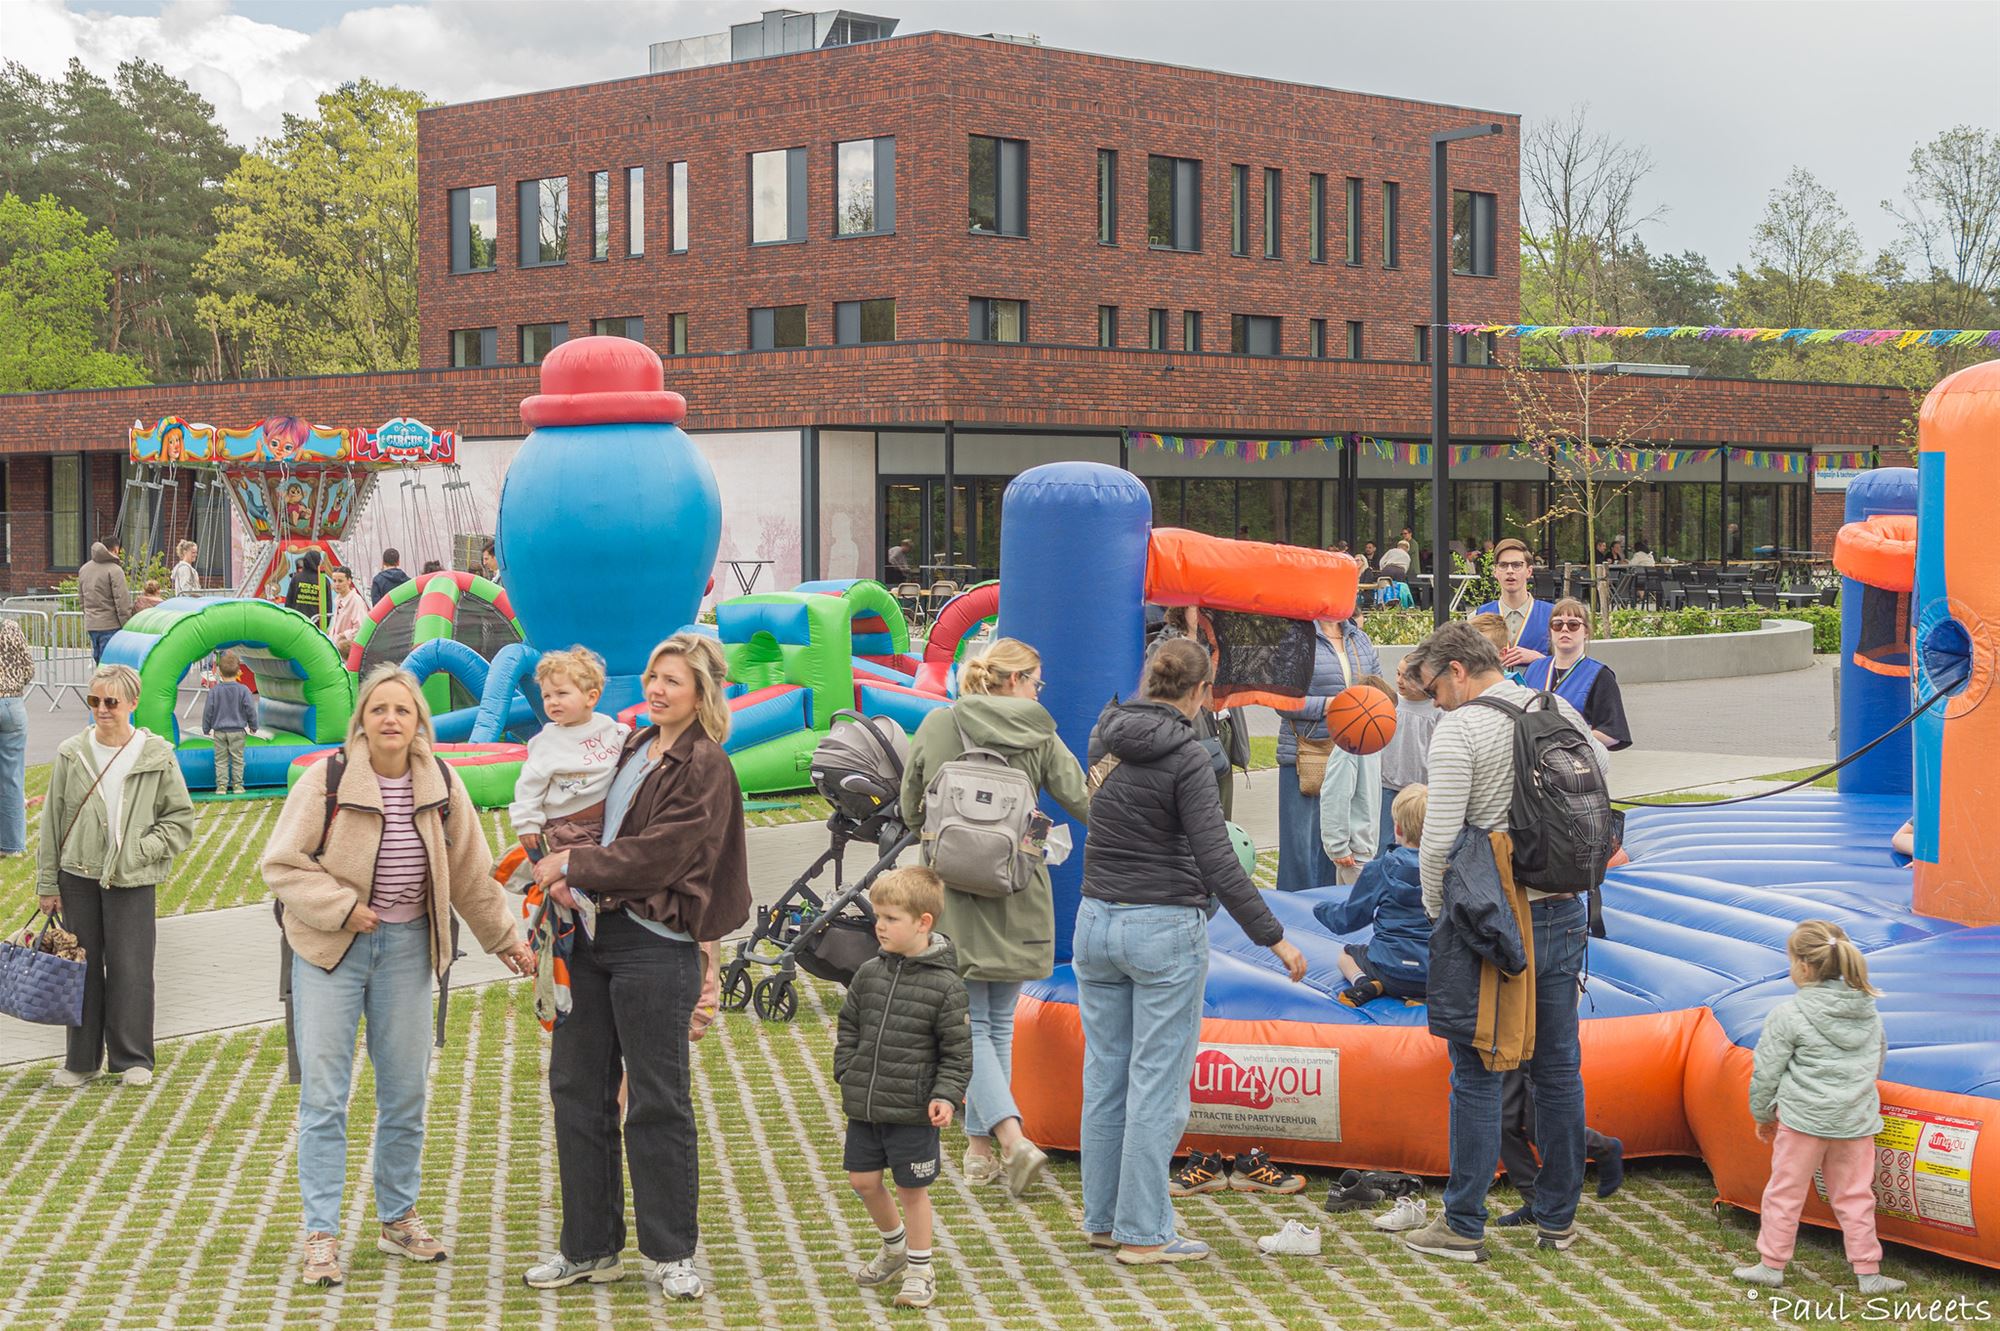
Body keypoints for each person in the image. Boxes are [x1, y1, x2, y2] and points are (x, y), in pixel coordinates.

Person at [263, 665, 533, 1287]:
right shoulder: (328, 779)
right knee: (324, 1097)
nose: (390, 719)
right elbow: (281, 864)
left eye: (402, 710)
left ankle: (398, 1218)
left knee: (405, 1093)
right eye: (379, 708)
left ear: (419, 723)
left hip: (410, 949)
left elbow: (471, 875)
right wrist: (341, 907)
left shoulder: (441, 784)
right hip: (331, 951)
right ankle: (322, 1234)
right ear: (362, 719)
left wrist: (506, 940)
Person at [523, 634, 751, 1302]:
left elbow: (663, 853)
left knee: (656, 1098)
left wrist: (572, 863)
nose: (656, 689)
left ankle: (672, 1252)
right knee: (576, 1089)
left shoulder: (705, 764)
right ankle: (588, 1248)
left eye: (673, 680)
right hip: (591, 937)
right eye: (653, 676)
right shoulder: (632, 744)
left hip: (655, 943)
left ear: (701, 692)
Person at [1076, 638, 1309, 1264]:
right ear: (1203, 693)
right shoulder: (1188, 757)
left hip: (1096, 920)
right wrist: (1274, 936)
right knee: (1157, 1085)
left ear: (1149, 679)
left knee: (1105, 1076)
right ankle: (1144, 1232)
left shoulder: (1104, 737)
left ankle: (1104, 1219)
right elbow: (1219, 861)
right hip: (1162, 926)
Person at [1397, 622, 1609, 1263]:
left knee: (1478, 1069)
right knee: (1557, 1069)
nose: (1435, 702)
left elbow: (1438, 840)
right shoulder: (1556, 706)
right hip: (1563, 908)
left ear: (1458, 670)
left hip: (1492, 917)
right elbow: (1601, 784)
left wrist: (1439, 915)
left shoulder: (1461, 729)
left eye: (1434, 688)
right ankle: (1558, 1219)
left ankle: (1463, 1224)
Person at [901, 638, 1088, 1196]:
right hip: (1016, 889)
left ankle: (991, 1147)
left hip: (949, 895)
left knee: (968, 1024)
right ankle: (1001, 1142)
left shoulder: (940, 723)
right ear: (1014, 680)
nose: (1038, 692)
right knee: (995, 1024)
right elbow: (1081, 799)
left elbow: (910, 806)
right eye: (1036, 681)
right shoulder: (1041, 732)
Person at [36, 663, 196, 1088]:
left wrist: (142, 851)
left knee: (132, 969)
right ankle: (81, 1061)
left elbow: (180, 819)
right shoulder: (72, 753)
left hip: (132, 878)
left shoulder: (156, 754)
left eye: (111, 701)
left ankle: (132, 1059)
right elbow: (52, 822)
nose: (102, 709)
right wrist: (47, 883)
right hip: (78, 874)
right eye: (94, 700)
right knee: (81, 970)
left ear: (132, 703)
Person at [1734, 921, 1905, 1296]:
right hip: (1855, 1122)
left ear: (1803, 967)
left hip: (1803, 1121)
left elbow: (1766, 1071)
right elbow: (1876, 1063)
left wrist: (1762, 1114)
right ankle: (1868, 1272)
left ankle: (1771, 1265)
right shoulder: (1868, 1012)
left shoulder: (1789, 1014)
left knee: (1785, 1192)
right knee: (1856, 1196)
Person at [836, 866, 973, 1311]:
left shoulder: (946, 986)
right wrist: (847, 1069)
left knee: (912, 1190)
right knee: (862, 1181)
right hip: (866, 1105)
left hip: (914, 1111)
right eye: (878, 916)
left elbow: (957, 1051)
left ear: (923, 922)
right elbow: (849, 1025)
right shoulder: (868, 973)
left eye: (891, 918)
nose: (880, 925)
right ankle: (894, 1248)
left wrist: (945, 1095)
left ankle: (920, 1269)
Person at [1274, 613, 1381, 892]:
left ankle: (1331, 909)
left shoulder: (1359, 639)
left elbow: (1377, 690)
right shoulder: (1296, 638)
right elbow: (1282, 701)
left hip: (1352, 754)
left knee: (1338, 849)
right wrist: (1332, 705)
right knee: (1300, 850)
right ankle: (1295, 910)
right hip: (1307, 755)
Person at [1315, 782, 1430, 1006]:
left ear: (1398, 829)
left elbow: (1349, 919)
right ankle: (1420, 996)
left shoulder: (1379, 870)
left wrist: (1322, 909)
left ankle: (1363, 981)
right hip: (1434, 974)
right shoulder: (1447, 872)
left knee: (1346, 955)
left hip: (1388, 970)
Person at [509, 647, 629, 856]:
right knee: (578, 865)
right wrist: (527, 823)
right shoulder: (546, 742)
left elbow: (632, 741)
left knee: (615, 862)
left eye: (562, 693)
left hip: (610, 819)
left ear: (591, 698)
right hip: (568, 826)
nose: (553, 701)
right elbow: (529, 785)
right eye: (547, 696)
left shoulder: (609, 728)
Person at [1523, 598, 1632, 751]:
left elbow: (1612, 734)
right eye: (1557, 624)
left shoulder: (1600, 676)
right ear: (1550, 630)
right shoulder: (1534, 669)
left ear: (1586, 631)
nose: (1564, 629)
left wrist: (1565, 740)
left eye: (1573, 625)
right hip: (1532, 759)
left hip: (1576, 759)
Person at [1318, 673, 1395, 886]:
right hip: (1353, 855)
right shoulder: (1348, 749)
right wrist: (1338, 846)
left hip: (1364, 851)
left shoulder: (1372, 745)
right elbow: (1334, 795)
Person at [1377, 656, 1437, 850]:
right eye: (1398, 673)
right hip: (1387, 785)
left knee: (1416, 842)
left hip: (1420, 792)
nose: (1399, 681)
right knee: (1384, 843)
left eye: (1407, 676)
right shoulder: (1390, 703)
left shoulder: (1437, 710)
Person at [1472, 537, 1552, 667]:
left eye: (1517, 565)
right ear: (1495, 572)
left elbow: (1567, 666)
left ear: (1529, 571)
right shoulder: (1478, 615)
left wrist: (1539, 659)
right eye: (1503, 565)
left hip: (1538, 680)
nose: (1510, 570)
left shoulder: (1552, 615)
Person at [202, 650, 255, 795]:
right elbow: (250, 709)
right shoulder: (243, 690)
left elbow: (208, 710)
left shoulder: (214, 691)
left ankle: (221, 786)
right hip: (237, 731)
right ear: (238, 672)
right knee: (238, 759)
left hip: (220, 731)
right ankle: (238, 785)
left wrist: (206, 728)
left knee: (220, 760)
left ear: (219, 672)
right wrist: (253, 726)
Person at [0, 616, 31, 855]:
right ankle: (11, 845)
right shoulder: (11, 627)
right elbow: (29, 668)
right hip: (12, 703)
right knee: (12, 777)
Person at [79, 540, 132, 664]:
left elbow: (82, 599)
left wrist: (89, 616)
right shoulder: (115, 570)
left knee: (100, 661)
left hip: (92, 624)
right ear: (116, 549)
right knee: (111, 664)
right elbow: (122, 601)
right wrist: (127, 624)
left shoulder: (84, 569)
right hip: (111, 624)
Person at [327, 567, 370, 655]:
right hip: (337, 649)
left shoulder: (356, 601)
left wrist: (342, 635)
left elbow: (362, 629)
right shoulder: (338, 599)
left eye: (340, 581)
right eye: (334, 581)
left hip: (348, 652)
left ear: (349, 581)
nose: (337, 584)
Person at [285, 550, 331, 628]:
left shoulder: (296, 578)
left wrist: (288, 621)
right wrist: (325, 625)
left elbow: (289, 603)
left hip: (297, 622)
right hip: (316, 625)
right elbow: (328, 605)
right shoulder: (323, 580)